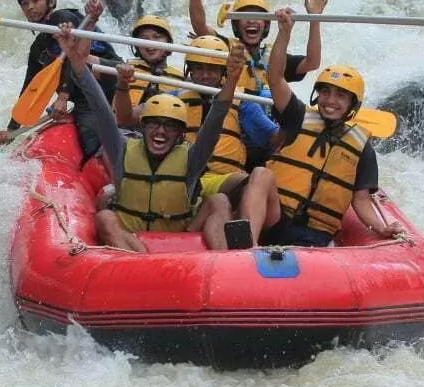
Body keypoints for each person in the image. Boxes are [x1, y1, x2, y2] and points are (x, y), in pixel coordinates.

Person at [57, 23, 247, 253]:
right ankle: (141, 265)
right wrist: (75, 59)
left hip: (179, 237)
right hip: (133, 237)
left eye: (169, 126)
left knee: (219, 201)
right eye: (154, 123)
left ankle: (224, 262)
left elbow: (216, 116)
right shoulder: (122, 150)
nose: (160, 131)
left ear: (179, 134)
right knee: (105, 217)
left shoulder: (192, 158)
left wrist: (232, 79)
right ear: (143, 127)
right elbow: (99, 106)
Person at [237, 8, 404, 248]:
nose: (330, 100)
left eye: (340, 95)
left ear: (352, 105)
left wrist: (382, 227)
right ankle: (247, 247)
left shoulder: (362, 148)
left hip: (315, 235)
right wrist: (284, 33)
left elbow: (361, 200)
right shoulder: (297, 116)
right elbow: (274, 79)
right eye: (325, 92)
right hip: (277, 219)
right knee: (261, 174)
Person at [182, 0, 328, 167]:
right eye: (246, 16)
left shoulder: (274, 56)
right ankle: (276, 144)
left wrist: (314, 19)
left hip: (265, 124)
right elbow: (200, 28)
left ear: (266, 25)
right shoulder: (226, 46)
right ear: (236, 25)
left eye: (258, 17)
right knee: (249, 105)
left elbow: (312, 62)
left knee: (285, 105)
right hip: (233, 120)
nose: (252, 21)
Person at [119, 35, 279, 207]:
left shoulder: (243, 102)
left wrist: (290, 114)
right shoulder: (173, 98)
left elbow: (274, 139)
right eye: (199, 68)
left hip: (221, 179)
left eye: (212, 69)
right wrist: (123, 85)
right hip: (180, 176)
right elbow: (125, 118)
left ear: (223, 71)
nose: (204, 75)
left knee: (255, 180)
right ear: (189, 70)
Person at [0, 0, 122, 159]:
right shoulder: (38, 47)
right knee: (88, 137)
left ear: (51, 1)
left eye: (36, 0)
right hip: (85, 95)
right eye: (25, 3)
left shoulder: (61, 18)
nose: (30, 7)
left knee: (76, 59)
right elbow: (30, 88)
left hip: (109, 76)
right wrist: (12, 129)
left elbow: (75, 57)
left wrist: (62, 97)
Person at [112, 15, 185, 127]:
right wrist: (92, 20)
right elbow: (83, 59)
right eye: (144, 39)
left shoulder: (182, 80)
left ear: (169, 44)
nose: (150, 43)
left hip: (163, 134)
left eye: (157, 37)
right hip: (125, 131)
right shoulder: (122, 67)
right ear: (137, 47)